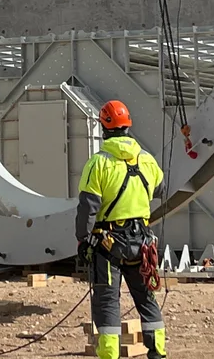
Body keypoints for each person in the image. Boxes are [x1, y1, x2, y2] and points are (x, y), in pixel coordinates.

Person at [75, 100, 167, 359]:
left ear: (104, 127)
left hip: (109, 244)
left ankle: (110, 355)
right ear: (128, 126)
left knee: (107, 303)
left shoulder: (98, 163)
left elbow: (87, 208)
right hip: (143, 242)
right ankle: (158, 352)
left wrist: (83, 241)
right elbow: (160, 189)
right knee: (146, 298)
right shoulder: (147, 160)